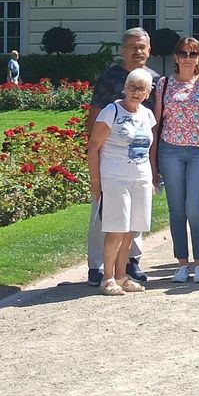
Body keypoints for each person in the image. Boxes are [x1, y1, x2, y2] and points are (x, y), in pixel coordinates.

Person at [85, 28, 160, 286]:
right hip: (112, 164)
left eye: (142, 47)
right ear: (122, 50)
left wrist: (154, 166)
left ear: (149, 50)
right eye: (132, 47)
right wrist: (94, 159)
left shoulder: (155, 79)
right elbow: (95, 115)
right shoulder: (110, 77)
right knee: (105, 218)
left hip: (138, 163)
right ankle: (97, 266)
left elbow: (154, 126)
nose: (138, 51)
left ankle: (130, 263)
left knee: (135, 217)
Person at [152, 36, 199, 284]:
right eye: (183, 53)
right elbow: (156, 125)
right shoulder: (164, 84)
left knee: (195, 209)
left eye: (193, 54)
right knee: (177, 211)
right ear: (175, 57)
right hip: (170, 151)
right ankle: (182, 263)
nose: (188, 58)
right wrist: (152, 162)